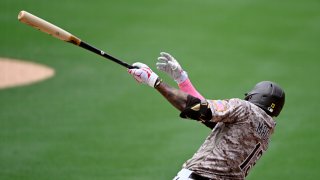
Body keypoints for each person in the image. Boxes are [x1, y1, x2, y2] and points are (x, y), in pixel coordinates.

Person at [128, 52, 285, 180]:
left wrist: (154, 81)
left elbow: (196, 109)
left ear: (254, 96)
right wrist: (182, 80)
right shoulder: (264, 132)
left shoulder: (245, 109)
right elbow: (208, 115)